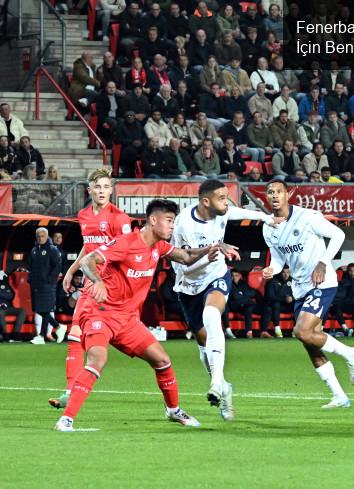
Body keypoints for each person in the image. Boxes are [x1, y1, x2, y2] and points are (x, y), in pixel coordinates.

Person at [53, 199, 227, 432]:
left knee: (162, 361)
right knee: (97, 360)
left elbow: (185, 257)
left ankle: (173, 410)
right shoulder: (127, 243)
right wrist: (99, 282)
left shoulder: (159, 247)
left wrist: (210, 249)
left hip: (126, 319)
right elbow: (87, 260)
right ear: (153, 220)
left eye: (173, 222)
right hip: (99, 311)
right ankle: (66, 420)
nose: (172, 227)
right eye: (169, 221)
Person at [172, 179, 277, 420]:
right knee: (203, 344)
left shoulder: (220, 212)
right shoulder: (185, 224)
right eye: (222, 198)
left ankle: (217, 383)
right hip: (188, 284)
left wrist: (266, 218)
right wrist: (213, 250)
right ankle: (224, 387)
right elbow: (185, 264)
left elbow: (237, 212)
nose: (226, 202)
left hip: (217, 275)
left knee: (212, 315)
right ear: (206, 202)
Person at [262, 179, 354, 409]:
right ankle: (339, 396)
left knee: (302, 331)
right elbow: (279, 258)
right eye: (270, 192)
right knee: (310, 342)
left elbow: (338, 235)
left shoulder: (307, 216)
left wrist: (322, 262)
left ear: (288, 195)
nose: (275, 195)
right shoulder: (268, 227)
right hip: (299, 287)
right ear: (266, 197)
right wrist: (273, 269)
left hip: (322, 282)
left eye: (279, 191)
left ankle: (351, 353)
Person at [48, 168, 132, 409]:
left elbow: (127, 251)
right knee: (75, 335)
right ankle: (69, 392)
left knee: (131, 345)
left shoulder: (120, 219)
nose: (102, 191)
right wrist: (72, 270)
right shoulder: (84, 215)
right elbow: (88, 247)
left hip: (112, 286)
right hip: (91, 283)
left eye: (106, 187)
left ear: (111, 190)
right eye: (98, 187)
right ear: (90, 190)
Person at [28, 227, 64, 345]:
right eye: (38, 236)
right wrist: (30, 279)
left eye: (42, 236)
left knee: (44, 309)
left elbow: (57, 266)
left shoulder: (52, 249)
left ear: (47, 236)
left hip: (47, 285)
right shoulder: (34, 250)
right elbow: (31, 267)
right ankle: (56, 328)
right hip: (36, 284)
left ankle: (44, 335)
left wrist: (50, 280)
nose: (40, 238)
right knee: (41, 309)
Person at [224, 269, 258, 339]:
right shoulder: (228, 283)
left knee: (249, 308)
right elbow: (235, 296)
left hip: (242, 305)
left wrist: (242, 294)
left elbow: (252, 293)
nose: (234, 277)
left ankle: (249, 332)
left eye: (236, 275)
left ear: (240, 276)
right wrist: (244, 295)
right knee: (224, 306)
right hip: (232, 306)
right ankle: (227, 330)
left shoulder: (243, 283)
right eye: (232, 276)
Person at [262, 265, 292, 338]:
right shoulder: (273, 281)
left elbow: (298, 294)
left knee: (298, 304)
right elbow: (270, 296)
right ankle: (277, 330)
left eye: (288, 272)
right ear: (280, 273)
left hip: (287, 305)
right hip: (275, 305)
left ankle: (296, 330)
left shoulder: (292, 281)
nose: (286, 274)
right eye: (284, 272)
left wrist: (292, 298)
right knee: (275, 304)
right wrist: (284, 299)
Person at [0, 270, 25, 341]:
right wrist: (4, 293)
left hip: (8, 308)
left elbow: (11, 295)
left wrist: (1, 293)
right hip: (1, 309)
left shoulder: (5, 284)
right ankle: (5, 334)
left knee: (22, 311)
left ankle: (15, 334)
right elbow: (7, 295)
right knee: (1, 312)